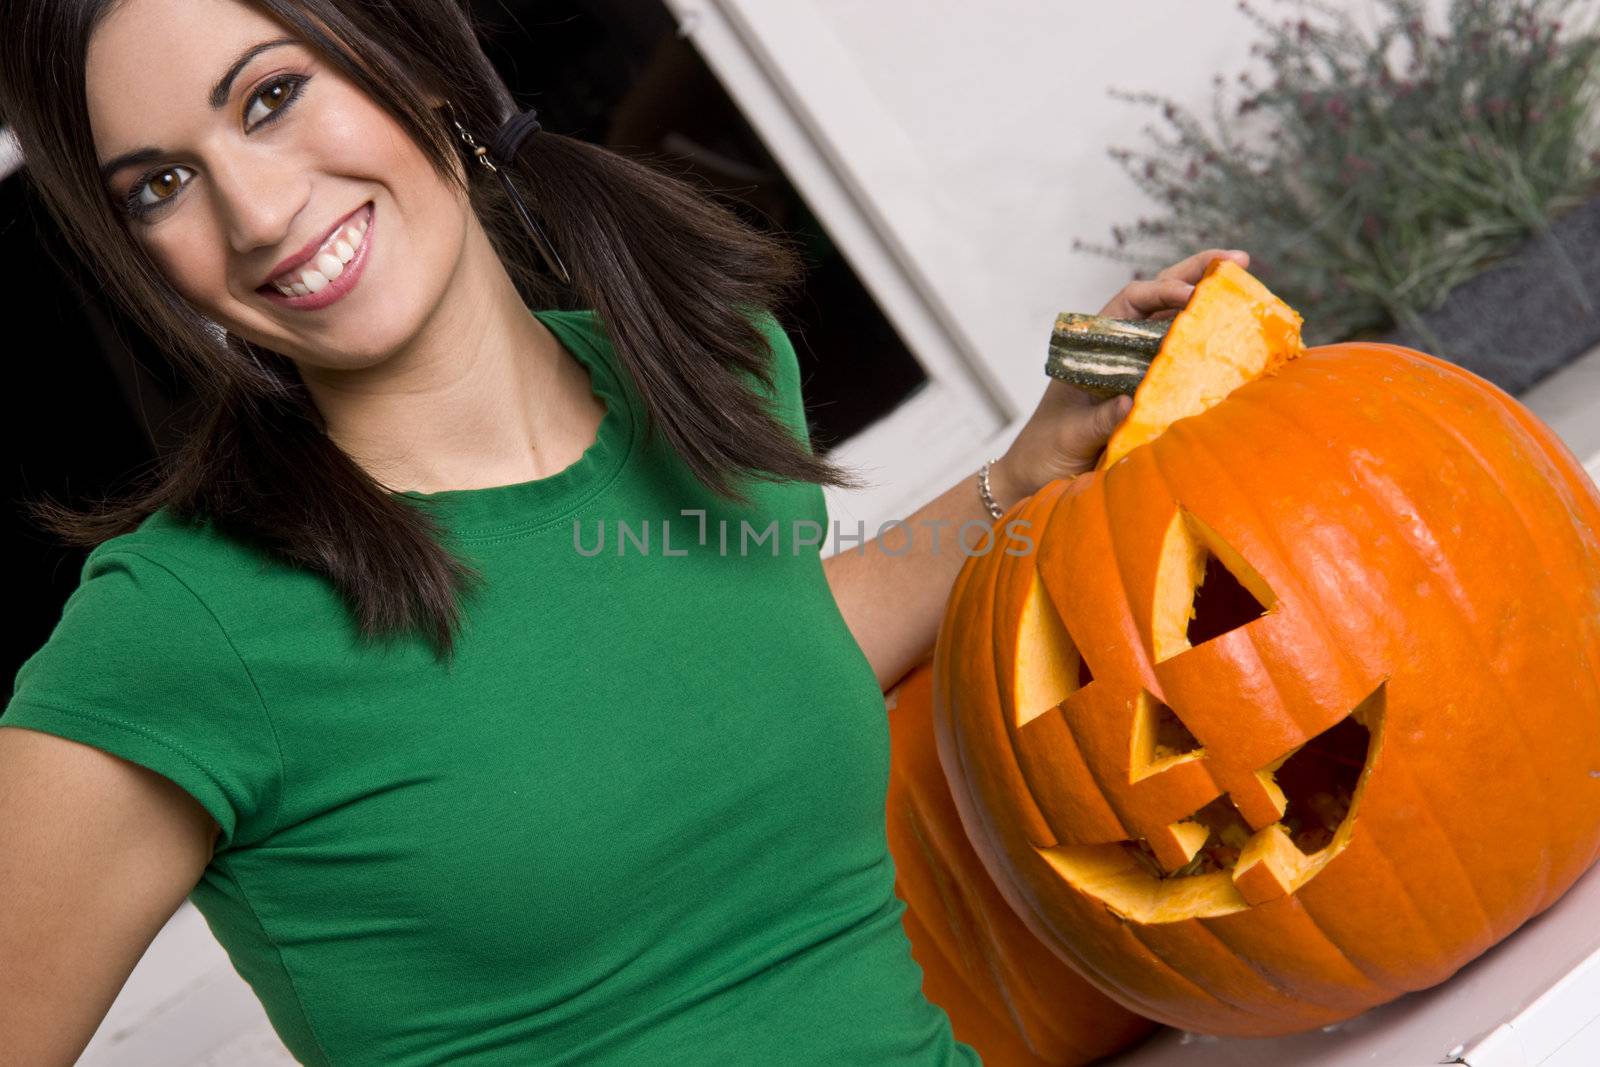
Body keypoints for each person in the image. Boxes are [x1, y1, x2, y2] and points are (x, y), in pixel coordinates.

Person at [0, 0, 1248, 1063]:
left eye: (270, 97)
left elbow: (750, 649)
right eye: (161, 184)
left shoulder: (714, 372)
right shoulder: (184, 627)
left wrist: (1022, 470)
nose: (258, 212)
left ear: (419, 63)